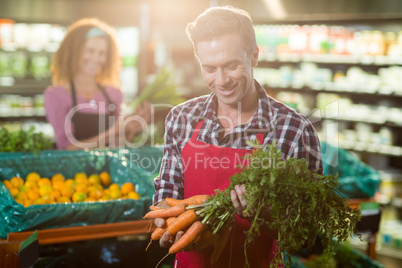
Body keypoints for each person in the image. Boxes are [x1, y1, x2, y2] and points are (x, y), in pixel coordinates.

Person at [153, 6, 323, 268]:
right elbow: (167, 194)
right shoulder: (181, 118)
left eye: (231, 66)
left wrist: (264, 215)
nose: (221, 80)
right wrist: (166, 224)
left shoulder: (293, 130)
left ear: (254, 56)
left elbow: (309, 235)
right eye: (209, 68)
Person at [44, 18, 149, 150]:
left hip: (108, 170)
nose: (96, 59)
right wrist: (113, 131)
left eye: (102, 53)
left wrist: (130, 129)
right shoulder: (56, 95)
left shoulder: (113, 94)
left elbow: (117, 146)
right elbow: (66, 148)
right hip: (75, 171)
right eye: (90, 51)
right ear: (74, 51)